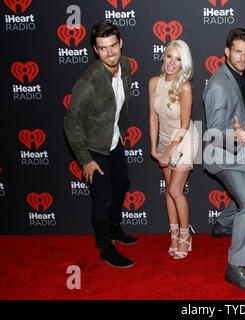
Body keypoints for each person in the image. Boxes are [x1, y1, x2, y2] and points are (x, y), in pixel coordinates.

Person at [64, 21, 137, 268]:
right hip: (94, 147)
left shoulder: (125, 66)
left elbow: (120, 105)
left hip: (113, 140)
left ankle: (114, 228)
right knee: (102, 197)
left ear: (121, 44)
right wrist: (86, 160)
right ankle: (106, 248)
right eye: (103, 48)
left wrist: (120, 131)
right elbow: (71, 124)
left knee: (123, 184)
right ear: (95, 50)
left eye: (113, 46)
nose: (110, 53)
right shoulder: (88, 82)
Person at [203, 28, 245, 292]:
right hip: (221, 155)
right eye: (237, 51)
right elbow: (214, 134)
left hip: (240, 150)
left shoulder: (241, 77)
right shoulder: (219, 85)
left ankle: (222, 224)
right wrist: (238, 138)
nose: (242, 56)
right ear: (226, 51)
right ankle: (235, 267)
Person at [149, 39, 199, 260]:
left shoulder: (185, 86)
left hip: (183, 139)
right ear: (163, 56)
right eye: (170, 56)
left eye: (178, 59)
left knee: (176, 191)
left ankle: (186, 236)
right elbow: (153, 118)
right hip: (163, 139)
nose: (172, 62)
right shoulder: (153, 83)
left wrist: (168, 152)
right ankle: (173, 234)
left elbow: (184, 125)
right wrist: (154, 148)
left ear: (183, 64)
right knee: (169, 189)